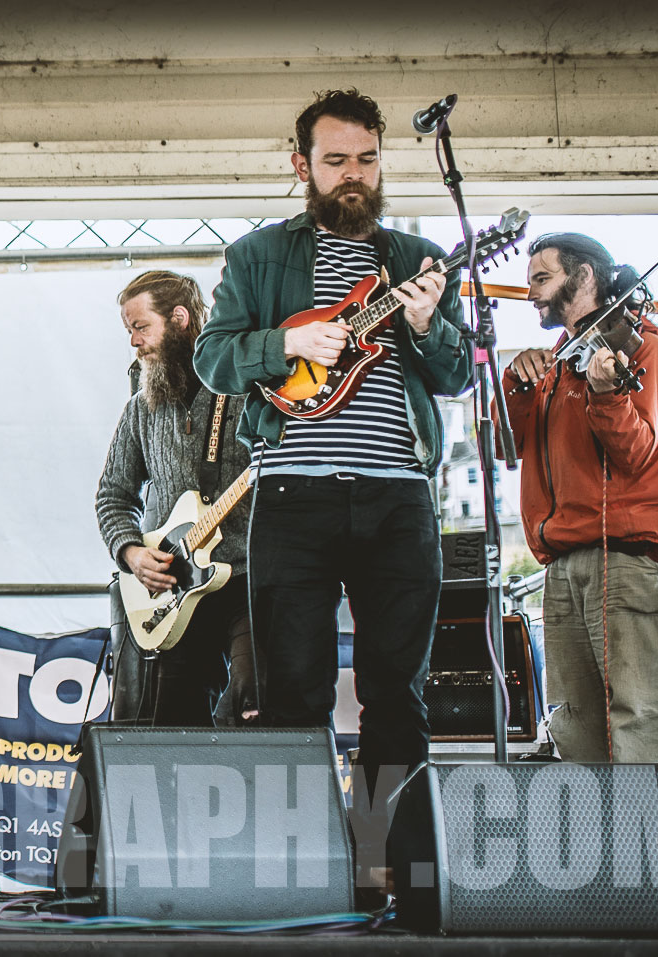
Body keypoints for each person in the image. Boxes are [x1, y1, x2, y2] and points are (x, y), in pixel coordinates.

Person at [192, 88, 471, 809]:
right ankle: (304, 865)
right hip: (293, 494)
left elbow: (457, 372)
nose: (354, 174)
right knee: (293, 690)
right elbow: (214, 360)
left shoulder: (419, 259)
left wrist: (428, 323)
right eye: (337, 160)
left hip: (399, 497)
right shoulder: (258, 255)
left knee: (398, 692)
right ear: (302, 164)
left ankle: (389, 860)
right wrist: (286, 342)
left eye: (368, 160)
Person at [504, 231, 658, 763]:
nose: (532, 293)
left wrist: (607, 395)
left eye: (542, 279)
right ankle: (595, 845)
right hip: (563, 564)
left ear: (584, 277)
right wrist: (517, 384)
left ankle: (647, 847)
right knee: (573, 722)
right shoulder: (559, 362)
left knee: (637, 715)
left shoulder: (646, 348)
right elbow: (503, 444)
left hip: (626, 557)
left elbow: (637, 454)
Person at [96, 270, 255, 726]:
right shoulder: (141, 407)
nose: (133, 342)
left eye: (140, 327)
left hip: (246, 578)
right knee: (171, 722)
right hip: (172, 588)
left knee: (253, 702)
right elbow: (112, 495)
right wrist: (130, 553)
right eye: (129, 330)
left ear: (180, 318)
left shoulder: (243, 388)